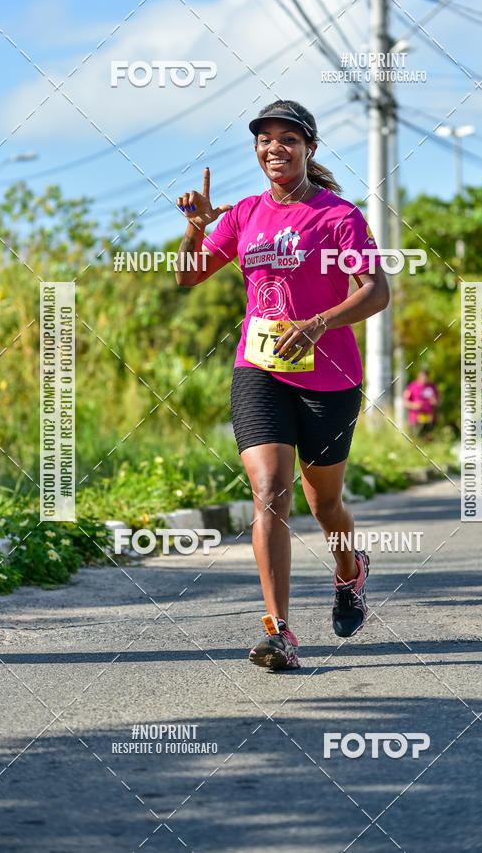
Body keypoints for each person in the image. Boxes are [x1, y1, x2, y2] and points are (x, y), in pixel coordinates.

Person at [174, 99, 389, 670]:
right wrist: (195, 229)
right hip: (259, 368)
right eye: (265, 138)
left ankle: (350, 570)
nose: (275, 147)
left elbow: (375, 291)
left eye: (288, 138)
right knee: (270, 490)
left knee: (325, 506)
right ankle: (279, 632)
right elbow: (188, 274)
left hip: (330, 378)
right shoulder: (244, 214)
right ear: (257, 150)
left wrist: (317, 323)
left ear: (308, 149)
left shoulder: (339, 216)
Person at [403, 368, 440, 436]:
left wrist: (436, 402)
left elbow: (439, 401)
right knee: (417, 439)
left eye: (426, 376)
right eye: (422, 376)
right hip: (415, 419)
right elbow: (405, 403)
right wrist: (414, 405)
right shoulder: (411, 387)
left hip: (430, 419)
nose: (424, 378)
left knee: (429, 439)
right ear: (418, 376)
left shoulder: (432, 387)